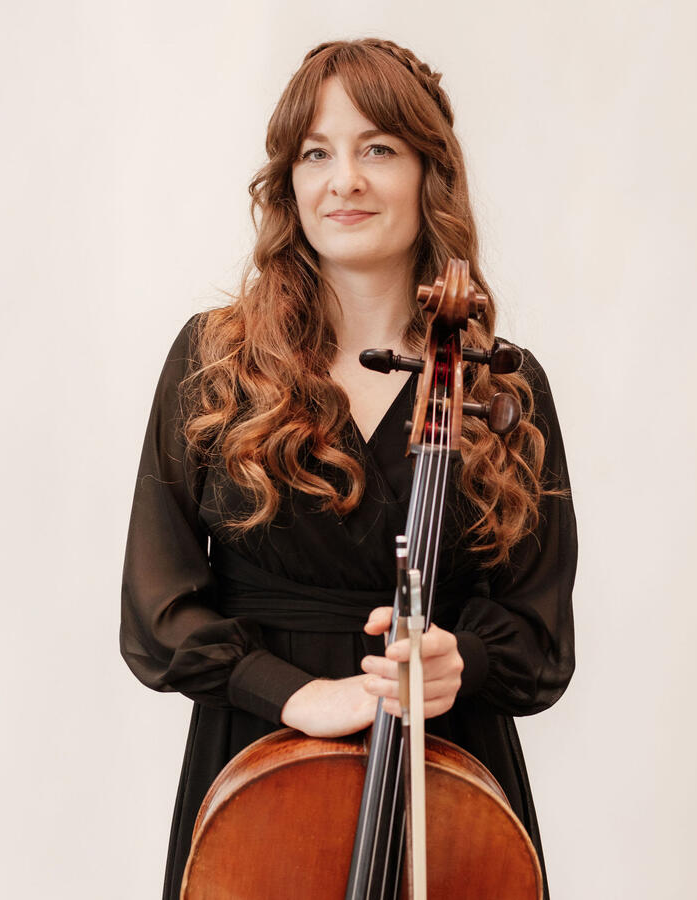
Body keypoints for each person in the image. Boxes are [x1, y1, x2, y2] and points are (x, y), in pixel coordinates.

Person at [121, 38, 577, 900]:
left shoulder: (500, 387)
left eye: (378, 150)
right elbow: (160, 611)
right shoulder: (217, 362)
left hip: (449, 782)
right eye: (316, 154)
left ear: (427, 172)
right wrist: (294, 696)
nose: (345, 181)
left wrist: (462, 661)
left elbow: (540, 633)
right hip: (258, 774)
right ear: (289, 184)